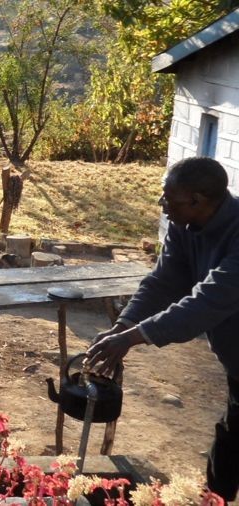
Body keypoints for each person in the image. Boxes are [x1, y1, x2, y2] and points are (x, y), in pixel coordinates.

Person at [86, 156, 239, 502]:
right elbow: (164, 281)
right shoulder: (185, 226)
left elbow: (206, 302)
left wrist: (134, 337)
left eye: (168, 198)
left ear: (197, 200)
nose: (162, 205)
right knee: (231, 438)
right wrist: (123, 325)